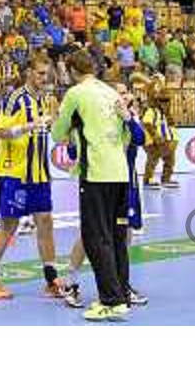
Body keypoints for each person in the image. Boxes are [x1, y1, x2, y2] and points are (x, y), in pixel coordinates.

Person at [51, 50, 133, 321]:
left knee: (96, 238)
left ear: (73, 70)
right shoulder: (111, 92)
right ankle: (121, 294)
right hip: (120, 172)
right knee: (117, 237)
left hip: (96, 173)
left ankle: (110, 300)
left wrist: (69, 125)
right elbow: (125, 133)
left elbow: (57, 133)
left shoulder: (75, 93)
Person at [0, 54, 63, 300]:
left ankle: (51, 279)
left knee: (45, 221)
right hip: (15, 172)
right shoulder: (15, 99)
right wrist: (28, 126)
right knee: (9, 225)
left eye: (47, 74)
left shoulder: (46, 100)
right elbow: (0, 132)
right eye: (39, 73)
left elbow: (50, 131)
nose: (44, 78)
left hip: (39, 173)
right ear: (29, 73)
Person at [62, 80, 148, 309]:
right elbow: (72, 151)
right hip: (98, 181)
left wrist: (128, 118)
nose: (122, 96)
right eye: (117, 93)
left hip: (126, 183)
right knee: (90, 234)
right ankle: (70, 282)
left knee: (123, 233)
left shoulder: (129, 118)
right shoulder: (92, 120)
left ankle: (121, 283)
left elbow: (141, 139)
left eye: (125, 92)